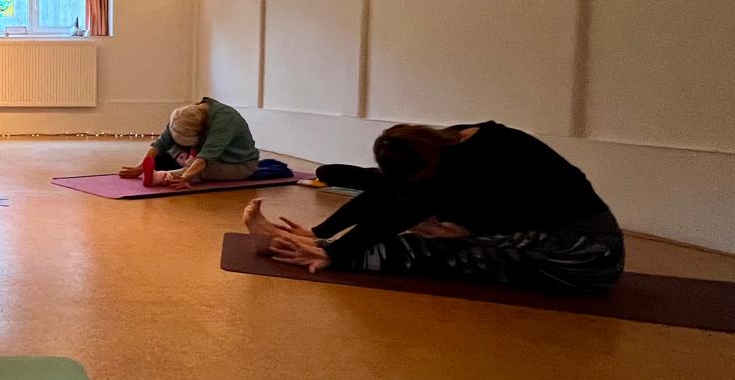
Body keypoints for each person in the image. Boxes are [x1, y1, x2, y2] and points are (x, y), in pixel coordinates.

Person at [243, 122, 624, 293]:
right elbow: (388, 192)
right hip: (532, 229)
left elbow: (398, 213)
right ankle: (302, 244)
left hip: (583, 254)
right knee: (427, 229)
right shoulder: (445, 144)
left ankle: (276, 247)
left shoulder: (470, 162)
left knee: (421, 246)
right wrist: (321, 232)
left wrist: (333, 254)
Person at [119, 98, 259, 186]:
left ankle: (160, 177)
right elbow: (161, 142)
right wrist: (141, 166)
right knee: (163, 154)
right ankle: (178, 169)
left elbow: (206, 157)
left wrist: (186, 176)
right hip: (198, 156)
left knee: (201, 170)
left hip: (238, 164)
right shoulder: (185, 115)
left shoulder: (225, 120)